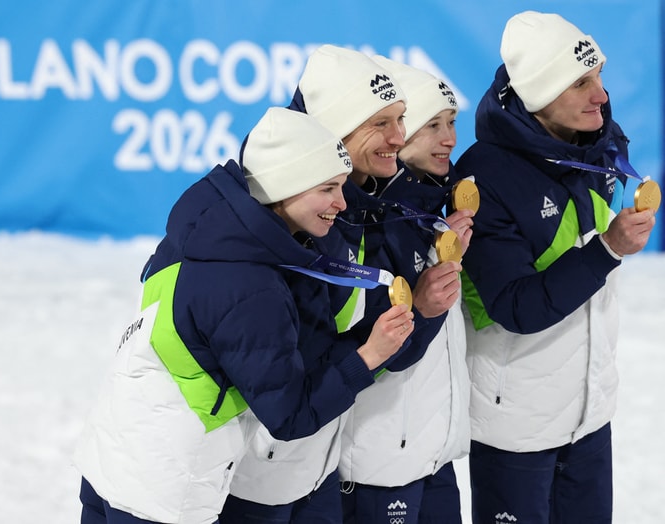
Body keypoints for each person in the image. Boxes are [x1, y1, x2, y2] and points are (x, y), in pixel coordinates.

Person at [72, 106, 415, 524]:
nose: (341, 204)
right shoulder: (250, 284)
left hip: (110, 461)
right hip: (167, 493)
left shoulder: (207, 229)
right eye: (328, 188)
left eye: (342, 186)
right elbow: (289, 415)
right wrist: (368, 356)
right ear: (286, 186)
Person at [221, 44, 468, 524]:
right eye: (382, 122)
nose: (399, 137)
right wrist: (414, 316)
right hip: (264, 474)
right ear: (334, 130)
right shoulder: (285, 226)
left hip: (321, 466)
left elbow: (353, 346)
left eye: (402, 119)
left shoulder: (362, 211)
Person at [455, 11, 656, 523]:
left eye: (600, 76)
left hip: (591, 416)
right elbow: (516, 306)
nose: (601, 95)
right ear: (539, 94)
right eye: (581, 82)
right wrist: (607, 249)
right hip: (516, 430)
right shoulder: (484, 176)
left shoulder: (597, 147)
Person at [333, 56, 473, 524]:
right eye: (433, 125)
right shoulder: (367, 218)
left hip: (434, 451)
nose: (449, 139)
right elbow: (379, 347)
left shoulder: (440, 206)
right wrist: (429, 292)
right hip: (379, 459)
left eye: (451, 122)